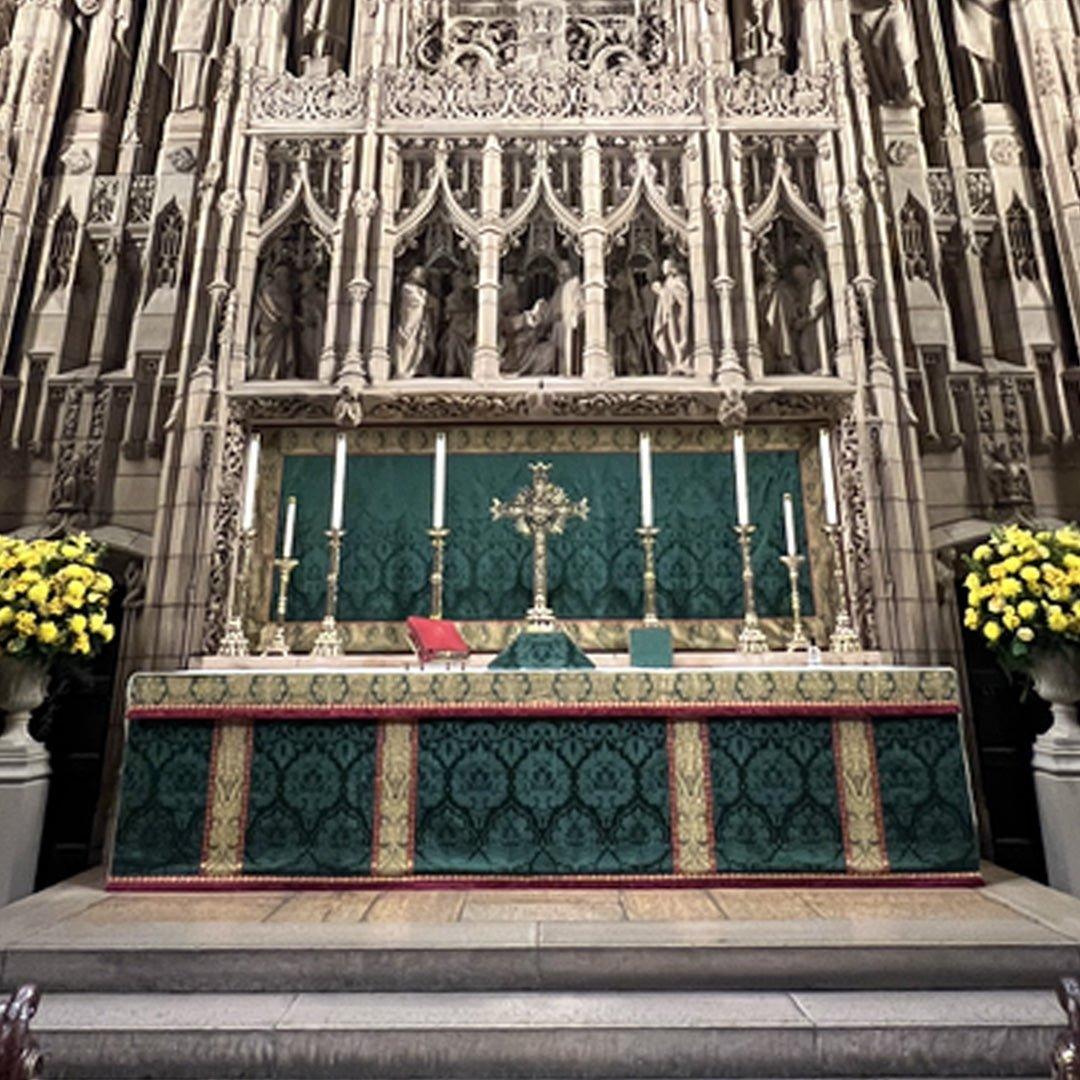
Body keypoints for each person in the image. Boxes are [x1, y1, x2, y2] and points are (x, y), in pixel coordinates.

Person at [393, 266, 436, 378]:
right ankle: (402, 368)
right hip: (409, 320)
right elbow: (418, 302)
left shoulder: (423, 291)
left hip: (421, 321)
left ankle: (415, 368)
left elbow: (430, 304)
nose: (420, 276)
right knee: (406, 340)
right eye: (417, 272)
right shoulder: (407, 288)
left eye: (422, 274)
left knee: (421, 343)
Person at [650, 259, 691, 374]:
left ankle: (679, 361)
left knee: (676, 339)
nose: (663, 269)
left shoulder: (675, 283)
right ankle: (675, 362)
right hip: (669, 316)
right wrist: (661, 292)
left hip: (675, 317)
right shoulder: (668, 283)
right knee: (671, 338)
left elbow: (682, 301)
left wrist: (663, 293)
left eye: (666, 266)